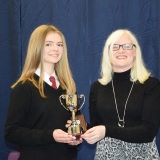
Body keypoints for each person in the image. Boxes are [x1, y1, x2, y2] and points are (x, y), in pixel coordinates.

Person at [5, 24, 82, 160]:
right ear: (37, 47)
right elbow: (11, 132)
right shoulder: (24, 87)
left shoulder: (68, 87)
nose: (55, 49)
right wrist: (50, 135)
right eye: (48, 44)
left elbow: (76, 122)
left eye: (59, 44)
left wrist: (75, 138)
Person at [81, 29, 160, 159]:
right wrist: (81, 127)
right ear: (108, 52)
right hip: (106, 156)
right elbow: (97, 128)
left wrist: (106, 131)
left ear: (135, 52)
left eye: (127, 46)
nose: (121, 50)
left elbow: (148, 132)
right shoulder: (97, 87)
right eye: (115, 47)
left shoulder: (151, 85)